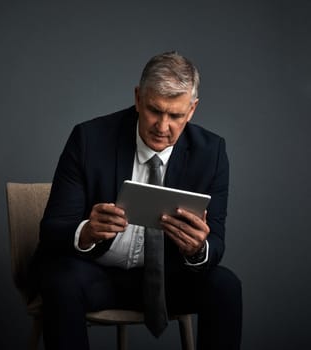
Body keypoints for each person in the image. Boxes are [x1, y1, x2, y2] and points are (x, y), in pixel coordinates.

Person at [34, 51, 242, 350]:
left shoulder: (211, 153)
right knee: (59, 281)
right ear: (137, 98)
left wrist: (198, 249)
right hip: (96, 274)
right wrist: (87, 232)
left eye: (176, 116)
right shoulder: (89, 138)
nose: (162, 126)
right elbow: (52, 229)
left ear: (192, 110)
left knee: (225, 286)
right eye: (154, 110)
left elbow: (217, 241)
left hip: (167, 281)